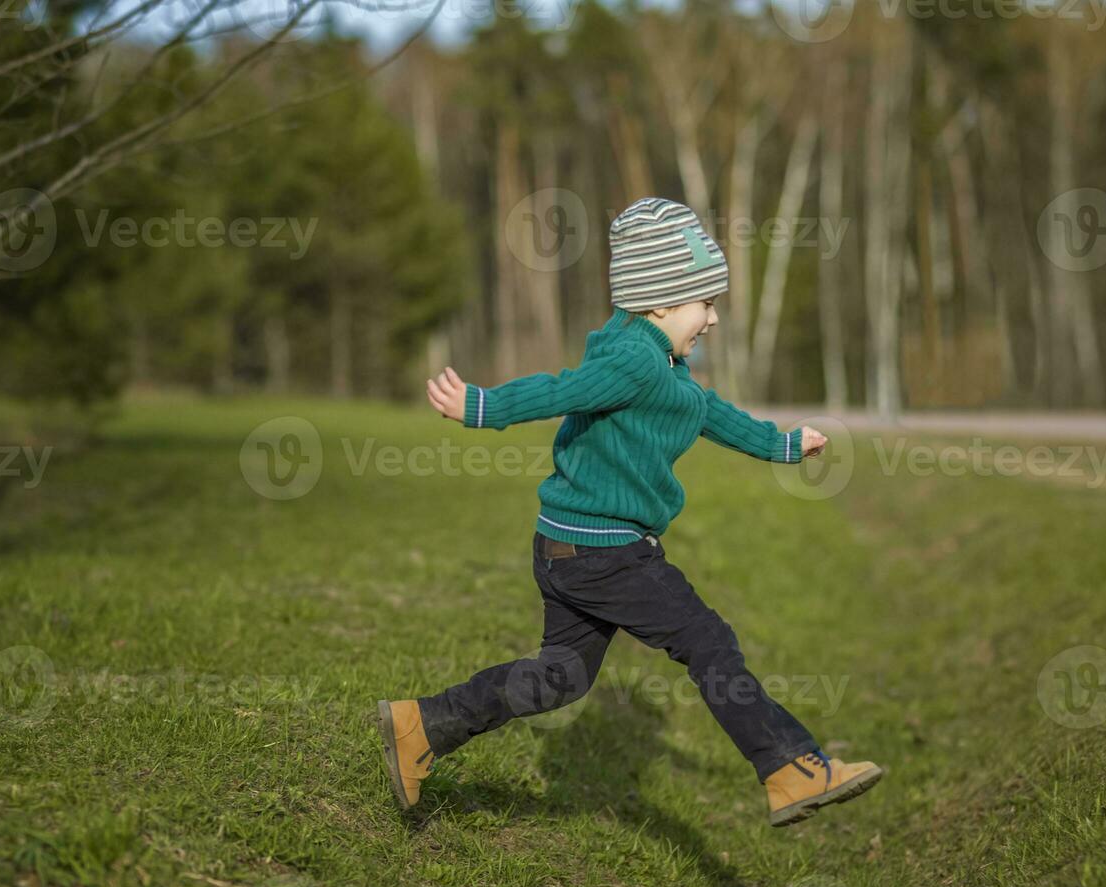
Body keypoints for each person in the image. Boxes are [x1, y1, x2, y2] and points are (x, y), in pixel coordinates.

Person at [378, 197, 883, 827]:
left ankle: (422, 725)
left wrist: (782, 444)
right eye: (705, 303)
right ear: (663, 301)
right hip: (603, 552)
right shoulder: (631, 361)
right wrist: (484, 406)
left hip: (568, 548)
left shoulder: (658, 363)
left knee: (560, 676)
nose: (714, 319)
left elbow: (706, 412)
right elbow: (562, 389)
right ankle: (789, 765)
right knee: (708, 641)